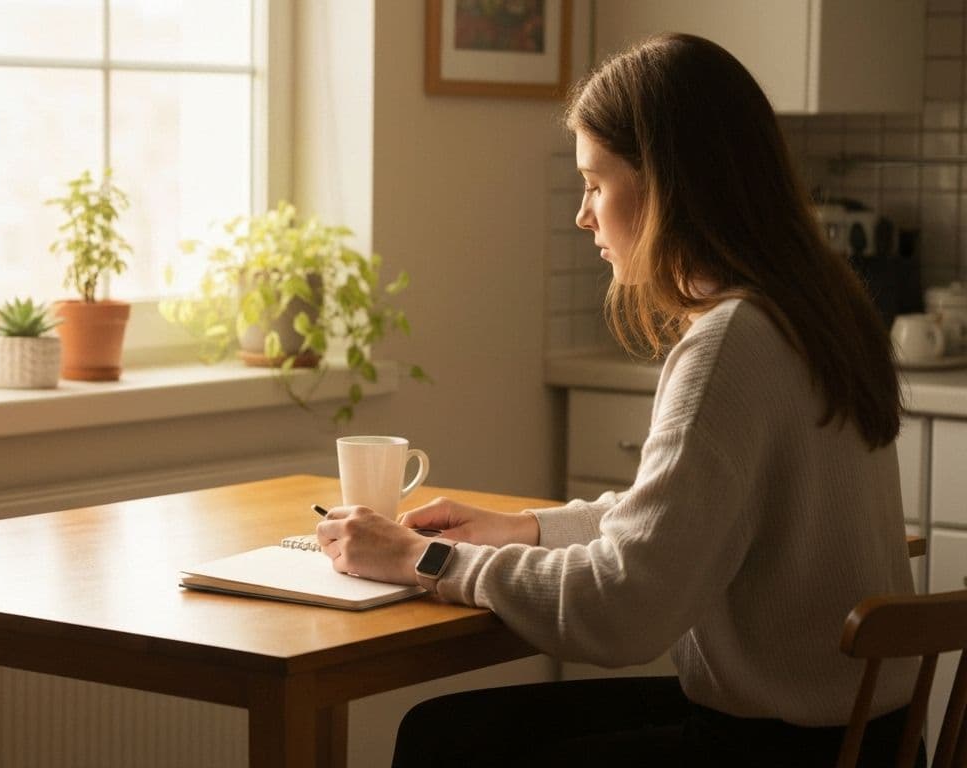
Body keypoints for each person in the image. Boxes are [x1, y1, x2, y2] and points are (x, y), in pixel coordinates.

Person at [316, 33, 921, 768]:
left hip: (779, 751)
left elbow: (623, 610)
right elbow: (674, 523)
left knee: (446, 743)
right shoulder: (818, 312)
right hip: (871, 740)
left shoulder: (732, 343)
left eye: (595, 183)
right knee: (451, 733)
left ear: (665, 186)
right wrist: (524, 530)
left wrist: (426, 559)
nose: (584, 214)